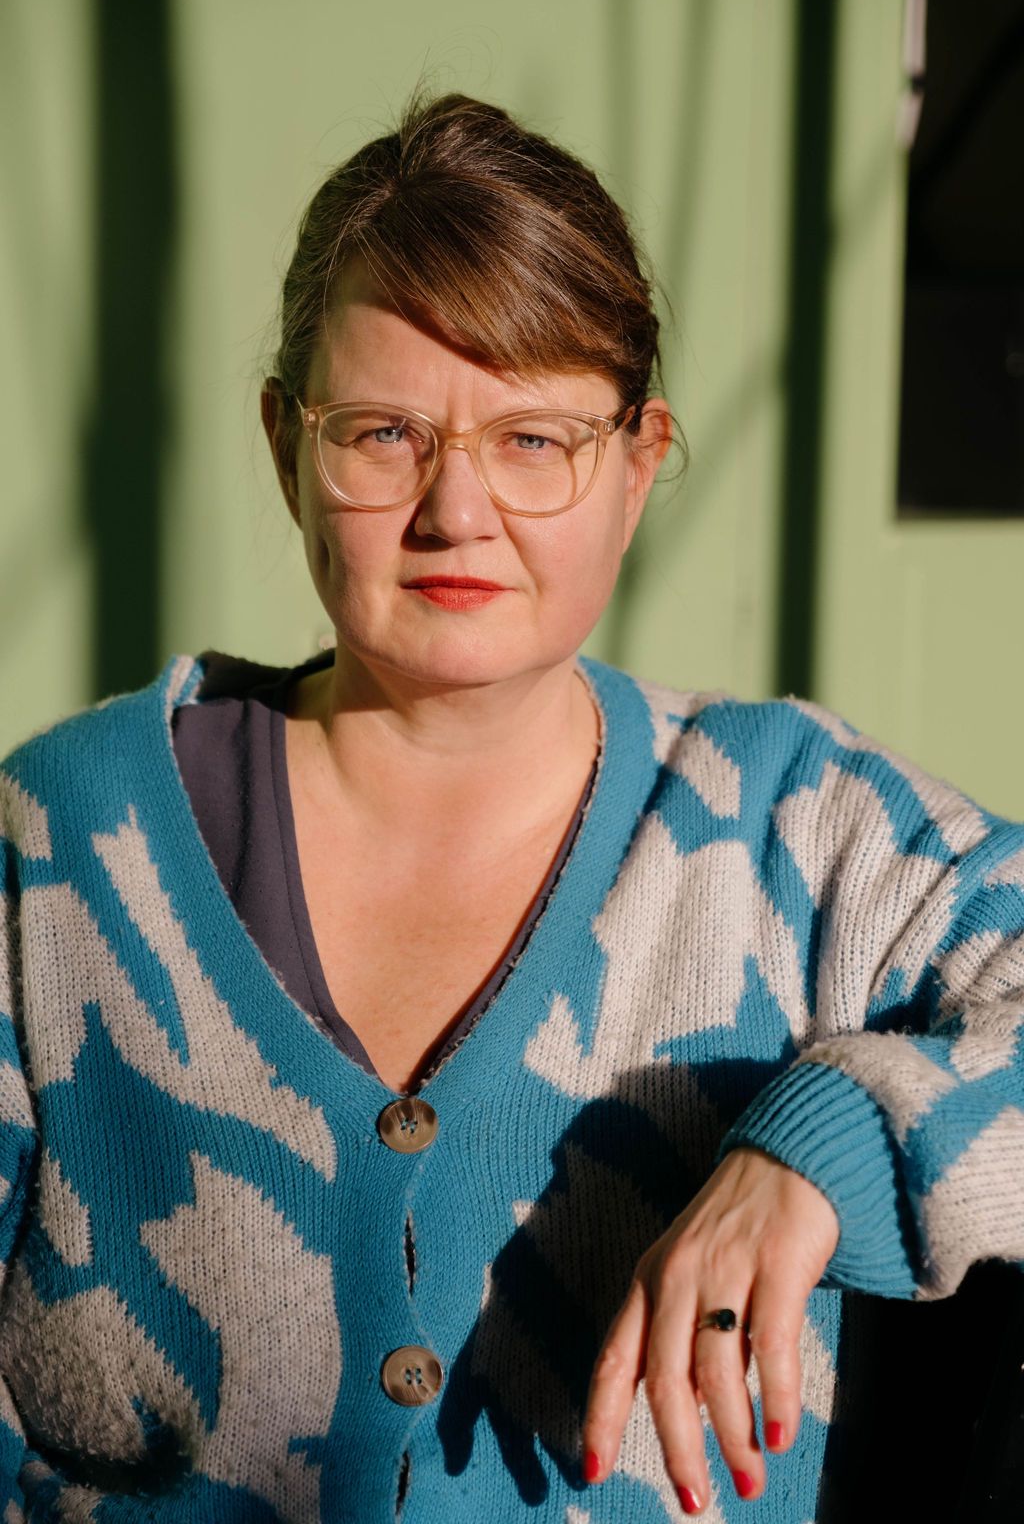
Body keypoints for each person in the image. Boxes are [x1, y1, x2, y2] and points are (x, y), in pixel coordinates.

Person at [0, 88, 1022, 1524]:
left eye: (536, 441)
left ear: (640, 465)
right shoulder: (59, 843)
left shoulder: (798, 827)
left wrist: (828, 1147)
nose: (456, 512)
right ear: (285, 444)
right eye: (384, 434)